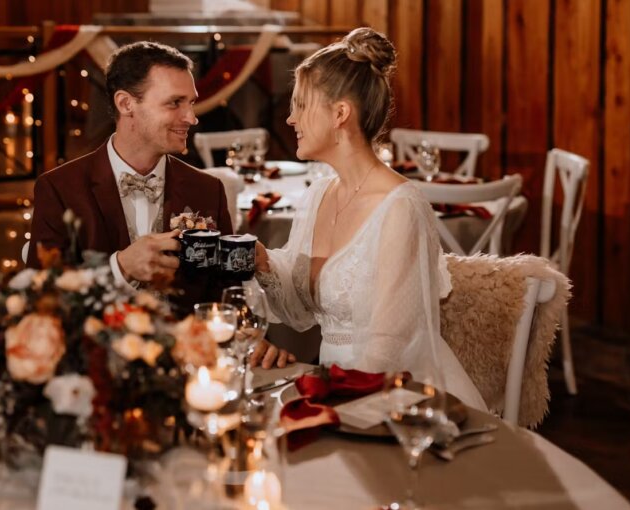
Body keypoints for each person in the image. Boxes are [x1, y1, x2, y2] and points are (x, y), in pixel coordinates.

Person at [250, 28, 486, 410]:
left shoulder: (400, 207)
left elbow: (392, 345)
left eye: (301, 105)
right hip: (333, 387)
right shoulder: (317, 195)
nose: (291, 119)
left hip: (396, 397)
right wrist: (262, 261)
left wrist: (333, 405)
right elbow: (299, 308)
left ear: (340, 113)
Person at [27, 41, 233, 300]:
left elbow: (226, 294)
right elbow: (39, 294)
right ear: (126, 104)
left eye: (190, 102)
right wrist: (121, 268)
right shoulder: (60, 189)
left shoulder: (207, 189)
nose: (191, 117)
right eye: (175, 103)